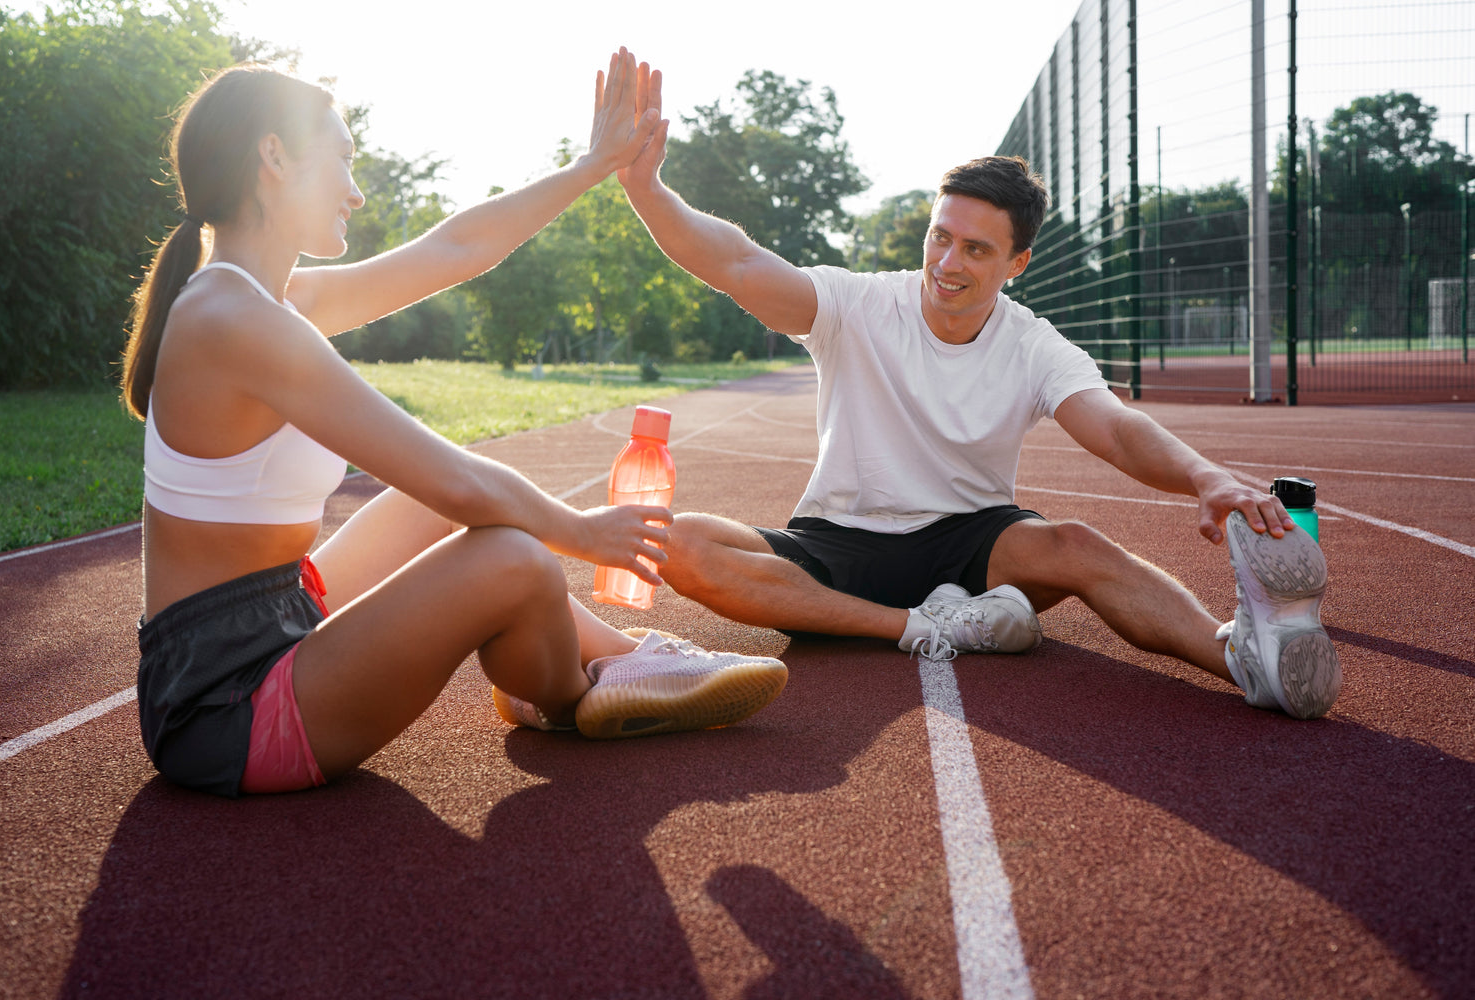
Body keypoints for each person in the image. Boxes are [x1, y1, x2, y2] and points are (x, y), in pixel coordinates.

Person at [120, 52, 787, 799]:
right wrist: (582, 532)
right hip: (225, 709)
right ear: (272, 155)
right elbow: (455, 477)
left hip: (277, 614)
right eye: (343, 160)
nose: (359, 192)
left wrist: (592, 165)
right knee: (518, 559)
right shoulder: (234, 319)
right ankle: (561, 688)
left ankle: (620, 662)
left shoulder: (266, 303)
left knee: (442, 518)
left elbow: (455, 249)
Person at [610, 63, 1340, 720]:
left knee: (1079, 545)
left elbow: (1114, 429)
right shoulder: (855, 305)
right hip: (836, 543)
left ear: (1017, 261)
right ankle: (925, 628)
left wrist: (1205, 477)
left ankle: (1246, 661)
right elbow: (735, 261)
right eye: (939, 237)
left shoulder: (1033, 345)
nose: (947, 262)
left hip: (974, 543)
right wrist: (646, 188)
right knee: (678, 541)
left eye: (976, 249)